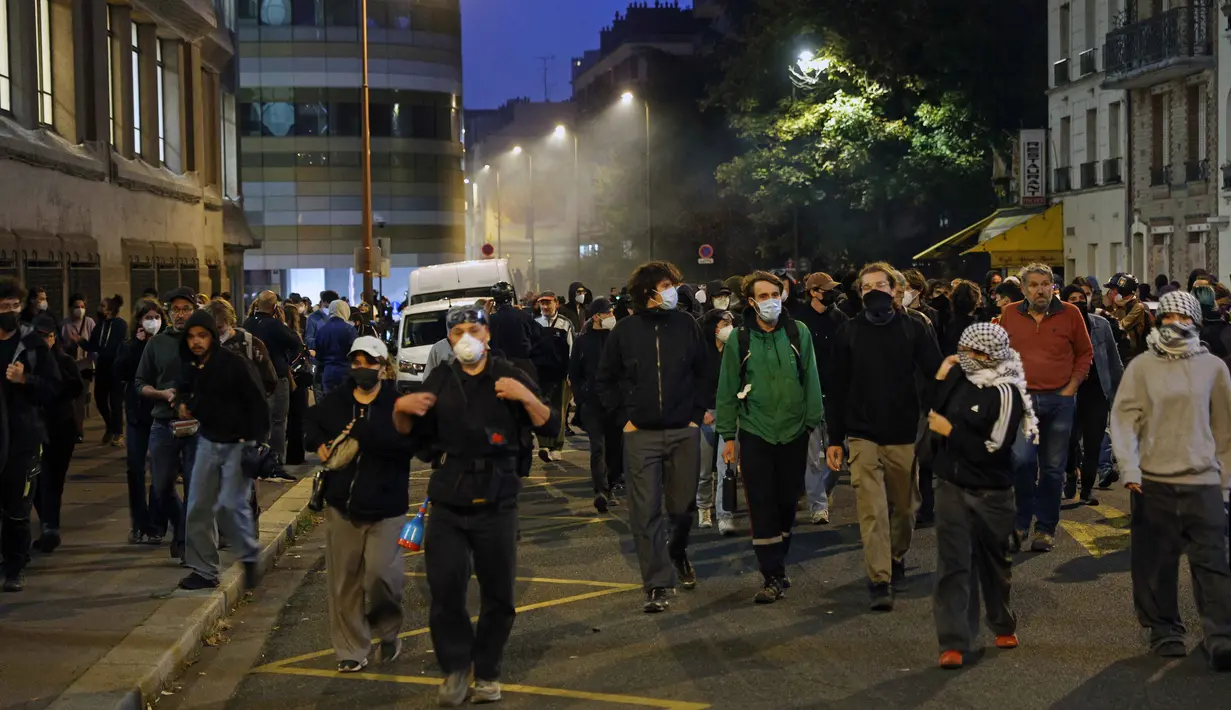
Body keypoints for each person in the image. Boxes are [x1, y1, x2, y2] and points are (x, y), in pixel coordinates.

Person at [393, 305, 557, 705]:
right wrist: (400, 411)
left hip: (498, 499)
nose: (466, 338)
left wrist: (524, 397)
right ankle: (454, 667)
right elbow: (411, 437)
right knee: (445, 588)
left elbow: (550, 425)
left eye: (474, 329)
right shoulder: (441, 378)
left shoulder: (510, 374)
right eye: (457, 332)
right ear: (448, 339)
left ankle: (486, 671)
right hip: (449, 499)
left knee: (499, 594)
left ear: (487, 334)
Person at [1110, 290, 1231, 669]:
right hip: (1152, 481)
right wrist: (1129, 468)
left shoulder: (1214, 367)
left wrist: (1225, 483)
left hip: (1203, 481)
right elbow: (1124, 420)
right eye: (1167, 317)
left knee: (1212, 562)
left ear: (1195, 321)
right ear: (1157, 320)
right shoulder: (1142, 367)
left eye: (1183, 317)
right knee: (1156, 563)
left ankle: (1221, 636)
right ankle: (1164, 631)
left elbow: (1225, 431)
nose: (1174, 324)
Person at [826, 262, 943, 610]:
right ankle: (879, 579)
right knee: (873, 510)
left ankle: (895, 556)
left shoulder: (914, 327)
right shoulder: (848, 332)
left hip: (904, 432)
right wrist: (835, 438)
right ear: (859, 294)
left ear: (895, 289)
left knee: (906, 509)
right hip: (862, 434)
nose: (874, 291)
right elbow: (836, 387)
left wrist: (939, 414)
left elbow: (935, 373)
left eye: (881, 284)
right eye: (866, 286)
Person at [595, 261, 708, 613]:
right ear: (648, 292)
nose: (674, 290)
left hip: (682, 431)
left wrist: (693, 416)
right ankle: (657, 584)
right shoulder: (625, 332)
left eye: (675, 284)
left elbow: (703, 372)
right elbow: (605, 380)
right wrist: (624, 418)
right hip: (640, 435)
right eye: (666, 285)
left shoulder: (687, 324)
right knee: (644, 512)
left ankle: (677, 550)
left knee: (682, 508)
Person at [305, 336, 416, 672]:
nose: (362, 368)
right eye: (357, 362)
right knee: (345, 584)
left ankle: (387, 628)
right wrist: (318, 442)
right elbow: (311, 421)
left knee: (382, 576)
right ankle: (351, 650)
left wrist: (366, 434)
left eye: (370, 362)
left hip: (387, 508)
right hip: (343, 507)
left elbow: (404, 446)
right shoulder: (337, 401)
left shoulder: (398, 404)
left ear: (384, 367)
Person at [927, 323, 1031, 670]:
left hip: (992, 492)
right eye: (966, 351)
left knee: (994, 564)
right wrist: (941, 379)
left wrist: (951, 433)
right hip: (951, 487)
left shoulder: (1006, 392)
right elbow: (932, 413)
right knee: (953, 565)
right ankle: (953, 642)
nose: (969, 359)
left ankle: (1001, 621)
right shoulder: (958, 379)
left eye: (977, 354)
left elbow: (994, 449)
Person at [717, 272, 823, 603]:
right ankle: (772, 574)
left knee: (786, 503)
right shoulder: (740, 338)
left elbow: (812, 379)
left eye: (774, 293)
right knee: (761, 503)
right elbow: (727, 386)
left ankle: (778, 564)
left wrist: (811, 422)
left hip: (794, 431)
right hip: (755, 431)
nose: (770, 300)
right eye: (762, 296)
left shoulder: (798, 332)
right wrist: (728, 434)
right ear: (751, 301)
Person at [999, 264, 1093, 553]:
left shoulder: (1071, 313)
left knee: (1052, 469)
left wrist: (1072, 386)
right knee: (1023, 462)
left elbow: (1085, 352)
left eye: (1045, 284)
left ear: (1053, 285)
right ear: (1025, 289)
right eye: (1033, 285)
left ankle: (1045, 529)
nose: (1040, 289)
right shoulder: (1010, 314)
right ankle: (1019, 522)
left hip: (1059, 401)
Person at [175, 310, 270, 591]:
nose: (196, 342)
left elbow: (258, 402)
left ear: (212, 337)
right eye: (191, 336)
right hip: (207, 441)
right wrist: (182, 401)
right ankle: (204, 570)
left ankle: (249, 556)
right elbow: (182, 388)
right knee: (197, 508)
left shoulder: (234, 364)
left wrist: (255, 443)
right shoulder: (190, 365)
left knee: (230, 505)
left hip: (238, 443)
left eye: (202, 335)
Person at [0, 278, 61, 591]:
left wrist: (27, 379)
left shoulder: (32, 345)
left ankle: (15, 567)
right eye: (3, 307)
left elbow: (54, 388)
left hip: (23, 439)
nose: (9, 312)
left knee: (17, 508)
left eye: (14, 307)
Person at [135, 287, 199, 561]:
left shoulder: (201, 342)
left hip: (197, 425)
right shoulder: (157, 344)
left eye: (186, 308)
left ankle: (184, 542)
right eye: (176, 309)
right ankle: (181, 526)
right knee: (161, 486)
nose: (180, 314)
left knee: (195, 485)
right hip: (163, 423)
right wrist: (162, 394)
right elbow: (140, 383)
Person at [1060, 285, 1122, 505]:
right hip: (1069, 391)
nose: (1078, 302)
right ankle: (1069, 472)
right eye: (1072, 299)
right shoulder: (1060, 326)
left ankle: (1086, 488)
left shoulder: (1101, 325)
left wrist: (1119, 392)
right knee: (1069, 440)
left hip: (1097, 391)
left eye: (1081, 297)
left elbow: (1113, 361)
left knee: (1094, 441)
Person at [796, 272, 849, 525]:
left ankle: (821, 493)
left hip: (837, 394)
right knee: (812, 453)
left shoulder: (841, 319)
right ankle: (819, 505)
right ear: (814, 292)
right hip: (808, 394)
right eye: (826, 289)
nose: (832, 293)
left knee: (840, 452)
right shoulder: (798, 320)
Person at [30, 315, 82, 554]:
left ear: (53, 338)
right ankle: (49, 525)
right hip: (34, 428)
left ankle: (51, 528)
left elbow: (75, 389)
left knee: (52, 480)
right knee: (36, 482)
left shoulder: (65, 361)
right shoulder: (28, 362)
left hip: (60, 429)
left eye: (46, 336)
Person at [570, 298, 625, 512]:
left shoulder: (617, 338)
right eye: (607, 312)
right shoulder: (582, 341)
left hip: (615, 404)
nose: (612, 316)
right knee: (597, 448)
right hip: (592, 404)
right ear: (596, 316)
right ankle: (601, 491)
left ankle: (610, 484)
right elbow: (574, 373)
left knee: (614, 449)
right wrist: (580, 397)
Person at [117, 301, 165, 543]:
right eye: (148, 317)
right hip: (137, 415)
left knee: (159, 471)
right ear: (139, 321)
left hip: (161, 414)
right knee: (135, 469)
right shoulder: (129, 345)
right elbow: (121, 372)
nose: (152, 321)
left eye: (156, 317)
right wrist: (137, 345)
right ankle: (139, 522)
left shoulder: (167, 344)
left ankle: (156, 523)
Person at [243, 290, 304, 479]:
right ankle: (275, 463)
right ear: (274, 307)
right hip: (276, 378)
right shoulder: (275, 325)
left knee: (259, 422)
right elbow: (296, 344)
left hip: (252, 379)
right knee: (278, 421)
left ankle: (257, 461)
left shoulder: (247, 324)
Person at [534, 291, 574, 463]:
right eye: (542, 303)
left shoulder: (566, 324)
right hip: (540, 375)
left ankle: (557, 446)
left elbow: (572, 349)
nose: (545, 306)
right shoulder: (534, 323)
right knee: (541, 409)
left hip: (560, 376)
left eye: (548, 303)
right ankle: (544, 444)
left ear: (556, 303)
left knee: (559, 410)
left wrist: (571, 373)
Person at [83, 295, 127, 446]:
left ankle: (118, 433)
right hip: (102, 365)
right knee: (100, 399)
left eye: (102, 306)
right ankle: (110, 425)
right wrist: (80, 341)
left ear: (109, 310)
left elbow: (120, 346)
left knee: (115, 401)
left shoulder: (120, 325)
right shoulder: (100, 325)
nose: (99, 308)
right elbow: (93, 345)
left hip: (115, 365)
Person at [60, 293, 96, 442]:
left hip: (85, 365)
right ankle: (71, 427)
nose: (79, 310)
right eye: (76, 307)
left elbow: (94, 344)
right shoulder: (65, 324)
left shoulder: (89, 322)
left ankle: (79, 430)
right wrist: (70, 344)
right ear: (70, 308)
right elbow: (60, 346)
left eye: (82, 307)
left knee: (80, 400)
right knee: (70, 400)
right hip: (70, 366)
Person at [488, 282, 538, 382]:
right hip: (524, 369)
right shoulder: (523, 316)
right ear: (511, 296)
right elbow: (537, 337)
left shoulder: (490, 320)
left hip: (499, 370)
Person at [1105, 273, 1151, 362]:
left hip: (1132, 357)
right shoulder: (1119, 306)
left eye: (1113, 289)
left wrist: (1108, 308)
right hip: (1118, 353)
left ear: (1123, 291)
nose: (1110, 293)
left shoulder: (1137, 307)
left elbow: (1119, 327)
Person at [306, 290, 340, 404]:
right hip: (319, 361)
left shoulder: (338, 317)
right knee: (319, 392)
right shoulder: (313, 318)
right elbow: (309, 338)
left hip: (335, 361)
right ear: (323, 302)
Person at [316, 300, 357, 394]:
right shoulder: (350, 329)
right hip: (346, 372)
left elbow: (318, 355)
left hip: (328, 372)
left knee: (330, 404)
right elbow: (355, 353)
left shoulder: (322, 330)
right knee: (345, 404)